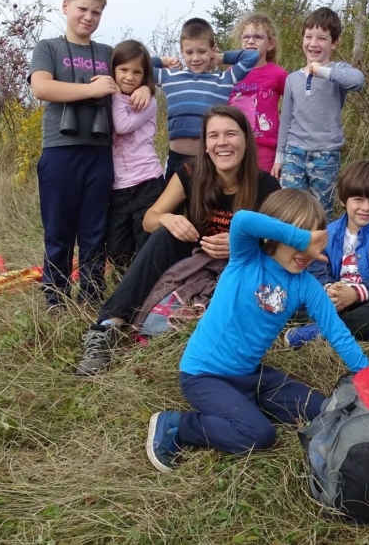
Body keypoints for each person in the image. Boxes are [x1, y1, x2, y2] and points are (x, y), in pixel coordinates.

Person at [144, 188, 369, 472]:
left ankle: (245, 406)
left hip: (251, 376)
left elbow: (337, 332)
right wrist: (302, 238)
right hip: (204, 375)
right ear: (276, 235)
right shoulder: (246, 258)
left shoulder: (305, 285)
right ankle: (178, 426)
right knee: (259, 434)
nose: (307, 252)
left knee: (325, 410)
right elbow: (242, 220)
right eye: (301, 239)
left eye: (315, 241)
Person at [76, 105, 281, 376]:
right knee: (163, 235)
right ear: (205, 144)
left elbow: (281, 242)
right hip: (194, 255)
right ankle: (107, 328)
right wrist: (167, 219)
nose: (222, 143)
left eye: (231, 134)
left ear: (245, 140)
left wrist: (242, 246)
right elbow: (150, 218)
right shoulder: (189, 173)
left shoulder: (265, 186)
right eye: (213, 135)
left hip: (238, 267)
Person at [28, 0, 151, 308]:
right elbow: (41, 87)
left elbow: (137, 68)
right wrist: (91, 90)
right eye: (82, 9)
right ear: (66, 6)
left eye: (96, 12)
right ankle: (55, 297)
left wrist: (143, 86)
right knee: (59, 229)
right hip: (60, 151)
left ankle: (92, 294)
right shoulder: (48, 47)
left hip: (99, 153)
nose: (88, 17)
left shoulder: (107, 53)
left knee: (94, 230)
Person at [288, 160, 369, 346]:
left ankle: (318, 332)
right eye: (358, 199)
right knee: (292, 299)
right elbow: (317, 268)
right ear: (344, 200)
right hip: (337, 297)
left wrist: (356, 294)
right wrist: (329, 289)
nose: (366, 207)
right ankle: (366, 330)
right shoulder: (328, 232)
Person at [274, 7, 365, 218]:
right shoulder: (292, 79)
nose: (313, 44)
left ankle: (319, 251)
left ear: (334, 43)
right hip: (294, 153)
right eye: (308, 37)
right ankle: (289, 249)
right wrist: (280, 156)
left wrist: (322, 71)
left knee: (321, 210)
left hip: (326, 154)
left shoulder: (338, 72)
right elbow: (286, 119)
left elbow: (358, 81)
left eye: (322, 38)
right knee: (289, 209)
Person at [153, 18, 259, 177]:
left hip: (210, 160)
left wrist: (219, 57)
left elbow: (251, 56)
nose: (195, 58)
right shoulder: (170, 76)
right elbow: (139, 63)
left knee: (209, 202)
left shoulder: (224, 79)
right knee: (173, 202)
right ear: (181, 52)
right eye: (189, 52)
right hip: (177, 159)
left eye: (202, 51)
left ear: (212, 50)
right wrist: (164, 61)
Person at [106, 40, 164, 271]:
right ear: (113, 70)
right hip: (118, 186)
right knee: (117, 248)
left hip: (146, 182)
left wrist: (147, 89)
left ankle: (145, 292)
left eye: (137, 72)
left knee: (145, 242)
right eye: (123, 70)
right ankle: (124, 286)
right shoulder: (105, 96)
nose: (130, 77)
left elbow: (122, 125)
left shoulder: (147, 102)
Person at [228, 13, 288, 173]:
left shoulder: (278, 74)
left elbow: (292, 106)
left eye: (257, 37)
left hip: (265, 146)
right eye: (245, 37)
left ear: (270, 44)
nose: (250, 41)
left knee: (263, 191)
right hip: (234, 143)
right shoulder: (231, 73)